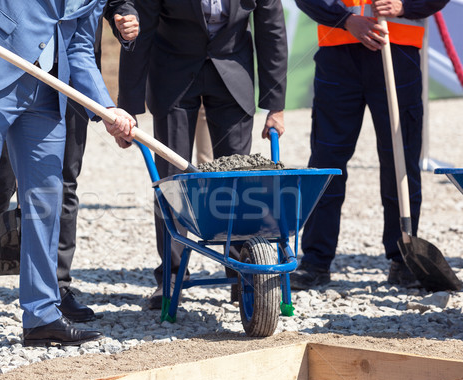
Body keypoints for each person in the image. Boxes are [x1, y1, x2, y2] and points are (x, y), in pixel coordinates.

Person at [0, 0, 136, 362]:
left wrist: (107, 106)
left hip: (48, 89)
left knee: (45, 201)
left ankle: (41, 314)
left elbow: (79, 45)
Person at [117, 0, 288, 309]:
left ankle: (242, 270)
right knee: (172, 181)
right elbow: (141, 30)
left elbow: (271, 28)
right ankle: (170, 277)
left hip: (233, 73)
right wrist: (128, 110)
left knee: (238, 180)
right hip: (174, 72)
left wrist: (275, 106)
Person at [289, 0, 449, 290]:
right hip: (338, 54)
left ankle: (403, 258)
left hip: (398, 52)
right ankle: (315, 260)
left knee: (400, 158)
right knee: (327, 160)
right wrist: (345, 19)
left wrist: (404, 6)